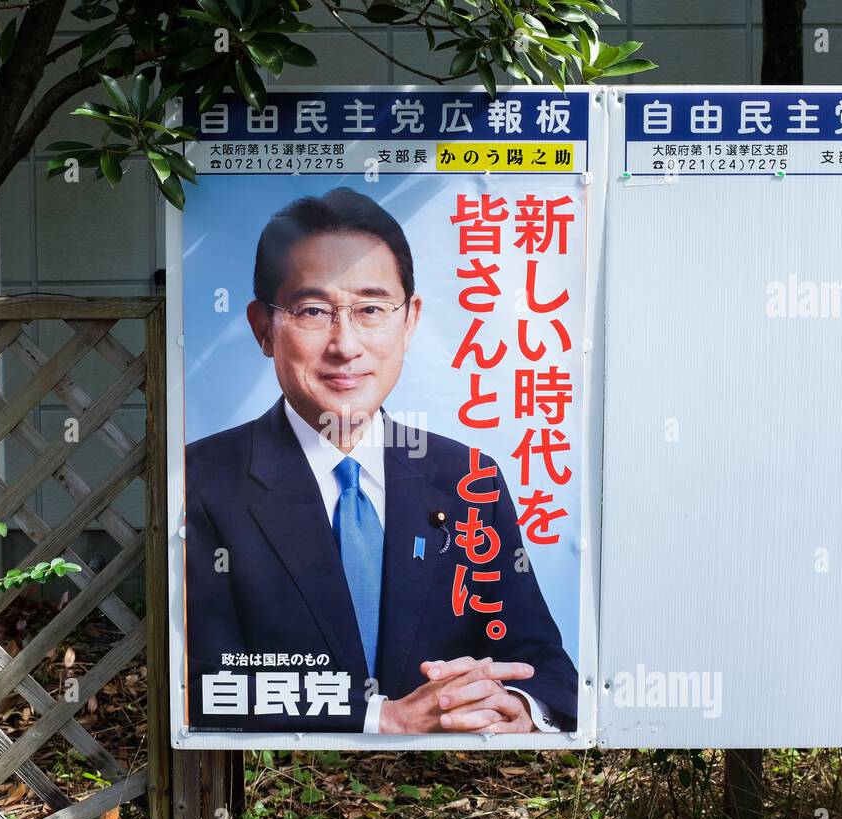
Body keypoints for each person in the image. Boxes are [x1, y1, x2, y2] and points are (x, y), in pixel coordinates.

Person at [185, 186, 578, 734]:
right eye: (313, 310)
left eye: (371, 309)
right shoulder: (200, 481)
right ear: (262, 326)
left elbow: (546, 667)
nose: (346, 344)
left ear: (409, 319)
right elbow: (198, 684)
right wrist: (382, 717)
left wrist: (514, 704)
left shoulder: (467, 477)